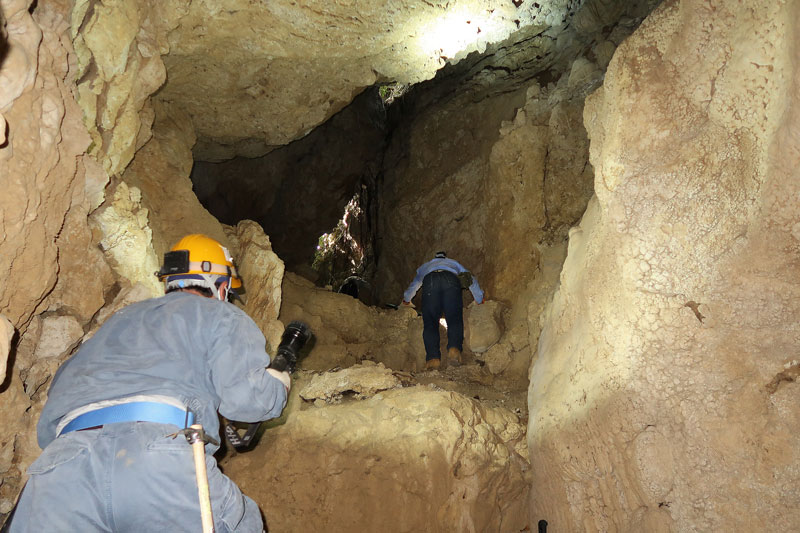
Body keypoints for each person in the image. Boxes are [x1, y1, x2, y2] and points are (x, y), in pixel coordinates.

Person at [8, 234, 290, 532]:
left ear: (169, 282)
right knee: (242, 522)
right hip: (157, 458)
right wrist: (279, 385)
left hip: (63, 469)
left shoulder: (117, 321)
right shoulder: (221, 314)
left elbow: (56, 401)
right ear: (220, 287)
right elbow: (246, 401)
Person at [402, 251, 484, 371]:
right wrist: (479, 298)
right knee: (454, 317)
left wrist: (406, 299)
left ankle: (433, 360)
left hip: (430, 281)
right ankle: (454, 350)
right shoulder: (453, 263)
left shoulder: (426, 266)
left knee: (430, 321)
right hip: (451, 280)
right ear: (445, 257)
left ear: (435, 258)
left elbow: (415, 284)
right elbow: (469, 278)